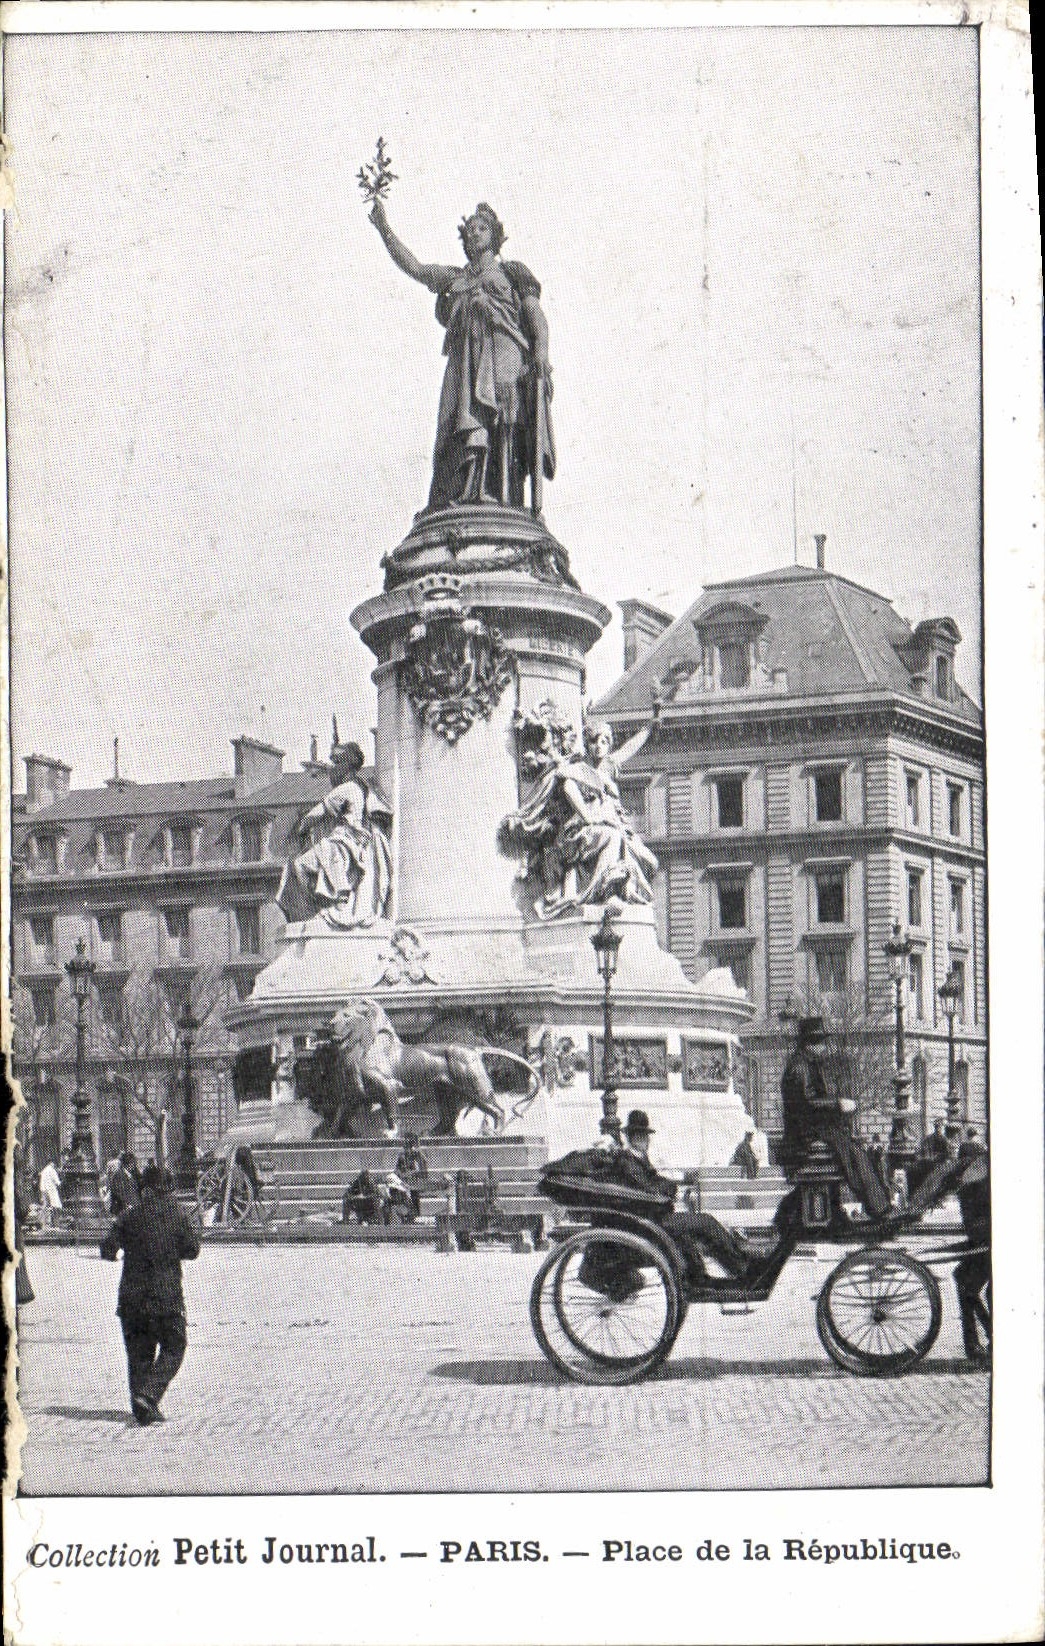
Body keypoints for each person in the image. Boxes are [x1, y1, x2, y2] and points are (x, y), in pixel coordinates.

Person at [369, 197, 555, 512]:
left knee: (502, 425)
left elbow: (534, 314)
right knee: (459, 423)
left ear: (495, 236)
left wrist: (541, 352)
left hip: (503, 357)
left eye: (482, 228)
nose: (475, 233)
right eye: (470, 229)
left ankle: (502, 499)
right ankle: (465, 493)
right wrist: (383, 228)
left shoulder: (512, 272)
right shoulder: (456, 278)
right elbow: (415, 268)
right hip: (464, 366)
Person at [502, 719, 658, 917]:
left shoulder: (608, 767)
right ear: (587, 744)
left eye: (604, 742)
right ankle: (603, 893)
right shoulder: (578, 768)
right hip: (578, 831)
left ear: (609, 745)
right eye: (594, 741)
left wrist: (650, 726)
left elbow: (628, 749)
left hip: (613, 826)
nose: (599, 746)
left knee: (649, 861)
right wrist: (591, 817)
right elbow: (569, 790)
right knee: (611, 837)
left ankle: (616, 890)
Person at [100, 1163, 201, 1425]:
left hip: (132, 1299)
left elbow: (107, 1248)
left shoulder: (130, 1215)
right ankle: (149, 1394)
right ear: (167, 1189)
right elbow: (192, 1249)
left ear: (144, 1188)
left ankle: (142, 1404)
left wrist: (123, 1250)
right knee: (174, 1346)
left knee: (138, 1354)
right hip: (165, 1298)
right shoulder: (177, 1214)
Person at [779, 1017, 891, 1220]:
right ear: (810, 1044)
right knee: (853, 1154)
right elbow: (806, 1102)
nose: (823, 1047)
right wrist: (838, 1104)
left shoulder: (809, 1064)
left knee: (855, 1148)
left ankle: (872, 1205)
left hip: (815, 1129)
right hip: (804, 1134)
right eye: (820, 1042)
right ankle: (879, 1208)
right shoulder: (800, 1066)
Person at [277, 736, 393, 927]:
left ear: (346, 766)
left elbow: (315, 815)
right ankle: (334, 898)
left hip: (345, 841)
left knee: (299, 865)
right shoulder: (364, 787)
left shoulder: (345, 789)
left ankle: (328, 902)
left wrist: (299, 830)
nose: (331, 768)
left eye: (336, 762)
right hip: (357, 842)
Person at [395, 1134, 429, 1219]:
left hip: (416, 1179)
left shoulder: (417, 1154)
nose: (406, 1149)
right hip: (404, 1180)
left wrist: (410, 1174)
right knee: (403, 1192)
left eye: (408, 1146)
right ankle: (407, 1213)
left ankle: (414, 1213)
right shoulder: (402, 1155)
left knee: (413, 1193)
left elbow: (422, 1168)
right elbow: (397, 1169)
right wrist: (400, 1175)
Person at [108, 1151, 141, 1215]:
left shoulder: (132, 1174)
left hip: (132, 1209)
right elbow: (118, 1192)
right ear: (129, 1164)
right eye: (134, 1163)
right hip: (122, 1210)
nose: (135, 1165)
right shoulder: (118, 1175)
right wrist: (127, 1205)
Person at [38, 1158, 62, 1229]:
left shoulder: (44, 1170)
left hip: (44, 1190)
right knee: (56, 1207)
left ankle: (43, 1224)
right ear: (52, 1163)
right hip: (51, 1191)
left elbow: (41, 1181)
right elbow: (57, 1182)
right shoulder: (52, 1170)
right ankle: (56, 1225)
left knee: (45, 1207)